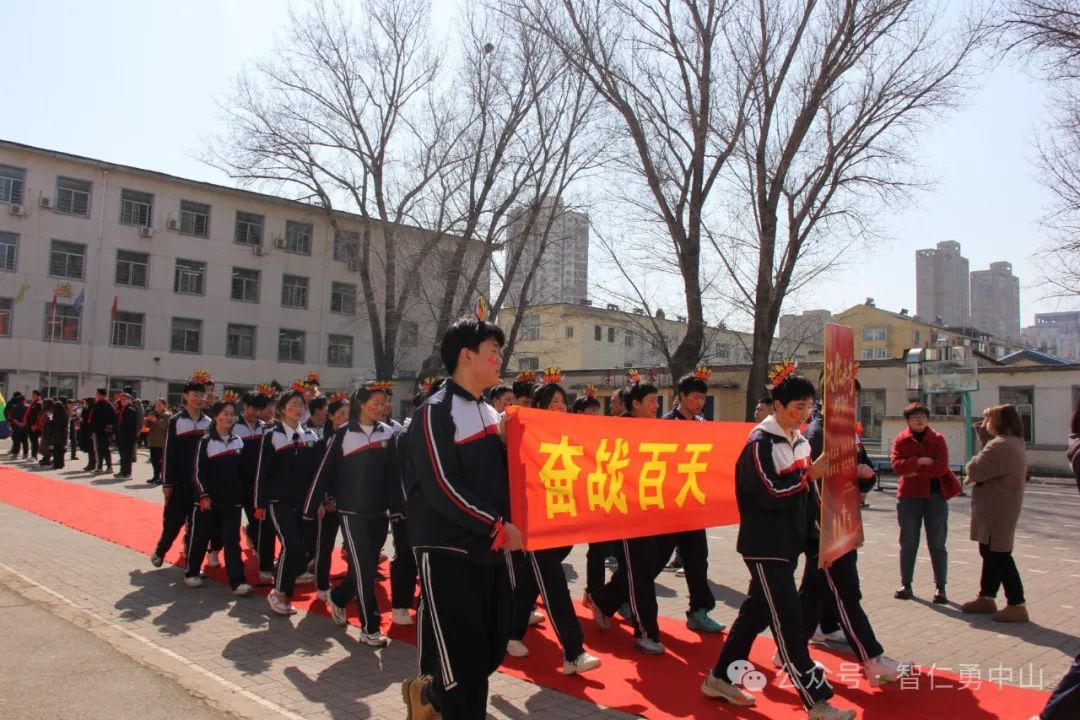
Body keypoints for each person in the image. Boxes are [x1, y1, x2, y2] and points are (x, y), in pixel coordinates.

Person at [701, 366, 854, 720]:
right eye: (797, 408)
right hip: (765, 546)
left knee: (754, 614)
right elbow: (770, 493)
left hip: (788, 545)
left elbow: (805, 495)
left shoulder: (798, 441)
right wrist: (808, 475)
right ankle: (817, 702)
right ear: (778, 407)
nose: (803, 415)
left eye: (809, 409)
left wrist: (818, 536)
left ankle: (720, 677)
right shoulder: (760, 443)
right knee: (789, 620)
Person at [401, 308, 524, 720]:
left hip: (491, 549)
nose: (499, 360)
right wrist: (494, 524)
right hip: (447, 547)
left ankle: (430, 696)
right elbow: (440, 484)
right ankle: (444, 701)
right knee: (466, 669)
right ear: (466, 356)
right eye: (493, 351)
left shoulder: (492, 415)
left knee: (491, 647)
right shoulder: (434, 411)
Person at [506, 373, 601, 675]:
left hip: (560, 518)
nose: (560, 406)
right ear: (539, 406)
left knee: (528, 582)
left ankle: (508, 633)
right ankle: (573, 652)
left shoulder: (571, 434)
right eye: (553, 402)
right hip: (533, 522)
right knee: (553, 583)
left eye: (563, 402)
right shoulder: (524, 433)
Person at [305, 384, 395, 646]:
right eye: (376, 402)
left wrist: (397, 509)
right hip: (351, 512)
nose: (381, 407)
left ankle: (339, 597)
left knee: (363, 568)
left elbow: (393, 475)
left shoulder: (388, 433)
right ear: (362, 404)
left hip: (379, 513)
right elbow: (325, 472)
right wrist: (312, 507)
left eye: (384, 402)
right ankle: (370, 628)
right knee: (364, 569)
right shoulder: (343, 434)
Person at [587, 373, 670, 654]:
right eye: (651, 402)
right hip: (623, 512)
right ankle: (646, 632)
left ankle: (605, 600)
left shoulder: (658, 431)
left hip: (649, 511)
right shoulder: (617, 429)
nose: (656, 407)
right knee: (639, 570)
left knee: (643, 566)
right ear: (635, 404)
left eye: (657, 402)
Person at [656, 367, 724, 633]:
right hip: (670, 505)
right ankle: (615, 597)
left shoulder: (701, 425)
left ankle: (699, 609)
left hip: (693, 503)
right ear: (681, 396)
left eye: (703, 398)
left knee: (698, 558)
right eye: (695, 397)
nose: (699, 403)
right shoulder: (667, 424)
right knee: (656, 558)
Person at [960, 404, 1030, 623]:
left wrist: (983, 444)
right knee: (989, 551)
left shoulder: (1001, 445)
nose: (985, 425)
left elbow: (974, 469)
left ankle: (1016, 603)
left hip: (996, 510)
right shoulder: (1014, 442)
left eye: (988, 420)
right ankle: (987, 596)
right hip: (1000, 507)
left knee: (999, 555)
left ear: (999, 422)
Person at [255, 389, 321, 616]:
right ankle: (279, 592)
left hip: (304, 503)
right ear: (282, 409)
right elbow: (262, 472)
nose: (298, 409)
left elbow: (317, 473)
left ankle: (282, 592)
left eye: (301, 405)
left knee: (299, 550)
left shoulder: (311, 436)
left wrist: (320, 501)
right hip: (278, 501)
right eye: (293, 404)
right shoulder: (272, 435)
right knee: (291, 545)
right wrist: (260, 503)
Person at [889, 402, 960, 602]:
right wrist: (920, 462)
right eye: (914, 417)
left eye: (922, 416)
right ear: (908, 421)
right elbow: (897, 466)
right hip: (909, 497)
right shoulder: (901, 440)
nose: (919, 420)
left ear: (927, 419)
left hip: (935, 497)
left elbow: (941, 467)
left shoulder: (937, 439)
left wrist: (913, 470)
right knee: (908, 543)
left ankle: (940, 587)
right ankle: (906, 584)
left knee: (937, 543)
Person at [185, 400, 253, 597]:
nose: (229, 417)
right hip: (208, 501)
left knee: (232, 540)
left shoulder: (238, 441)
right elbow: (198, 472)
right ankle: (191, 572)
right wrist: (203, 495)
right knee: (200, 536)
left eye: (232, 414)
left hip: (232, 501)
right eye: (225, 413)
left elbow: (244, 473)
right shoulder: (205, 441)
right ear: (216, 416)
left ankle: (238, 581)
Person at [151, 379, 210, 568]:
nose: (198, 399)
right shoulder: (176, 420)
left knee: (197, 523)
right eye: (195, 395)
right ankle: (160, 551)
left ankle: (191, 558)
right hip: (179, 481)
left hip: (199, 482)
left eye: (201, 395)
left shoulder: (209, 422)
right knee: (174, 520)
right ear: (185, 396)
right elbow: (169, 452)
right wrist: (167, 482)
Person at [310, 392, 349, 600]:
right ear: (332, 416)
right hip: (329, 502)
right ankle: (322, 585)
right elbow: (318, 475)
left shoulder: (353, 441)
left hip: (350, 501)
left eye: (349, 414)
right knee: (325, 545)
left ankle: (352, 585)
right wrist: (324, 499)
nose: (346, 418)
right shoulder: (322, 442)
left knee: (352, 545)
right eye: (341, 414)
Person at [90, 388, 117, 474]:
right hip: (98, 430)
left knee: (102, 449)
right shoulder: (100, 404)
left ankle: (104, 466)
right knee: (102, 448)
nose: (96, 396)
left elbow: (112, 418)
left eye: (97, 394)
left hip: (103, 430)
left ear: (102, 395)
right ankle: (103, 466)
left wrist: (108, 428)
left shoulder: (106, 404)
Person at [146, 400, 171, 485]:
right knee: (154, 460)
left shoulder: (167, 415)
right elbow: (147, 426)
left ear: (164, 405)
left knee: (161, 461)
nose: (157, 406)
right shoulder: (154, 413)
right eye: (156, 404)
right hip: (153, 440)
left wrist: (155, 420)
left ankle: (162, 477)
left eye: (160, 404)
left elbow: (165, 426)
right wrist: (148, 419)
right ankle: (155, 476)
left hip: (162, 441)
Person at [114, 393, 139, 479]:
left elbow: (130, 425)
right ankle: (122, 471)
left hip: (128, 437)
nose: (123, 401)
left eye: (125, 399)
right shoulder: (121, 409)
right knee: (122, 455)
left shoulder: (131, 409)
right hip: (121, 435)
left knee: (127, 456)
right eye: (122, 399)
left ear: (129, 400)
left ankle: (128, 473)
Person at [47, 397, 69, 469]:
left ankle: (57, 463)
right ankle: (61, 463)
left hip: (57, 433)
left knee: (56, 449)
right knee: (61, 449)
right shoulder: (65, 413)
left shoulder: (56, 414)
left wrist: (50, 420)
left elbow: (54, 423)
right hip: (63, 433)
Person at [6, 392, 28, 459]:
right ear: (24, 400)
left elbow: (10, 416)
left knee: (16, 440)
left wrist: (15, 422)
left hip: (16, 426)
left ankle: (16, 453)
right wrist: (24, 423)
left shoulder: (14, 407)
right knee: (24, 441)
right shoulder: (27, 407)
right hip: (24, 426)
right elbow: (29, 417)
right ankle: (25, 454)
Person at [25, 390, 44, 461]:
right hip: (31, 425)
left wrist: (35, 425)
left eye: (33, 395)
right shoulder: (34, 403)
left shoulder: (39, 403)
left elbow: (38, 416)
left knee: (34, 440)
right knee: (33, 440)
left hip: (35, 426)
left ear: (36, 395)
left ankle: (34, 455)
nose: (32, 396)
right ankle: (33, 455)